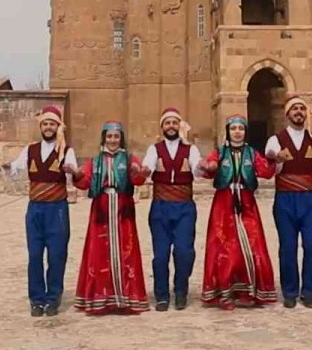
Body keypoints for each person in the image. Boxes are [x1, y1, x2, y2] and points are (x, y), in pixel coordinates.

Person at [1, 105, 79, 317]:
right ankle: (36, 299)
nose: (48, 127)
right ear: (41, 126)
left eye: (52, 123)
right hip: (35, 209)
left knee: (56, 254)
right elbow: (17, 168)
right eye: (45, 123)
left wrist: (71, 171)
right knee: (35, 254)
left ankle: (53, 297)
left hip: (57, 210)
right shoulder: (31, 149)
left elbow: (74, 172)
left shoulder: (66, 150)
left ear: (58, 126)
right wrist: (8, 167)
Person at [197, 114, 278, 310]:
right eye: (233, 129)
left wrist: (273, 159)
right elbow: (208, 168)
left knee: (252, 243)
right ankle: (224, 292)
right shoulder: (220, 152)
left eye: (241, 129)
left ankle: (248, 290)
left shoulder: (251, 153)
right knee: (224, 246)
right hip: (223, 205)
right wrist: (207, 167)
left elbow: (266, 172)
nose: (237, 132)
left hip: (247, 203)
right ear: (228, 131)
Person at [72, 122, 151, 314]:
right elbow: (84, 182)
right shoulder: (96, 161)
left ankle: (126, 298)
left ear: (121, 138)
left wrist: (140, 173)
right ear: (104, 138)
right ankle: (101, 298)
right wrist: (76, 175)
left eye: (116, 136)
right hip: (101, 208)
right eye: (109, 137)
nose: (113, 140)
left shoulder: (129, 158)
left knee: (126, 249)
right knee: (99, 251)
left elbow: (137, 179)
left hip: (123, 208)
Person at [265, 95, 312, 309]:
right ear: (287, 114)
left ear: (306, 114)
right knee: (288, 247)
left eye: (301, 109)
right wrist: (276, 159)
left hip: (310, 199)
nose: (298, 112)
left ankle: (308, 290)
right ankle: (290, 291)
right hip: (285, 198)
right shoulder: (276, 140)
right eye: (294, 109)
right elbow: (270, 165)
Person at [141, 107, 203, 311]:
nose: (171, 126)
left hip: (184, 206)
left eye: (174, 123)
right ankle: (161, 295)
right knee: (160, 254)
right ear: (162, 126)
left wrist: (204, 166)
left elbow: (197, 169)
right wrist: (143, 171)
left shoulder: (190, 149)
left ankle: (181, 291)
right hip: (160, 207)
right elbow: (147, 168)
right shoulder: (154, 149)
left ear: (179, 126)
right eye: (167, 123)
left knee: (184, 251)